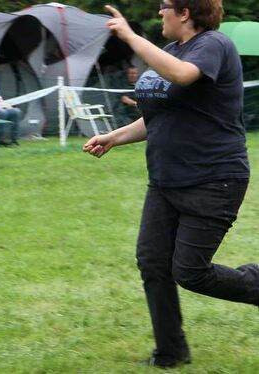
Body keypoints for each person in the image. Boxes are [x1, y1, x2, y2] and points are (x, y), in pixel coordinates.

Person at [83, 1, 258, 369]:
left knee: (191, 271)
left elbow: (181, 75)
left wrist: (130, 36)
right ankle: (170, 352)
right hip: (166, 181)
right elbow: (159, 115)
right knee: (152, 263)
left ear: (185, 12)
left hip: (213, 179)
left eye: (165, 6)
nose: (159, 12)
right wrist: (114, 136)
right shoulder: (171, 51)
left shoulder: (213, 45)